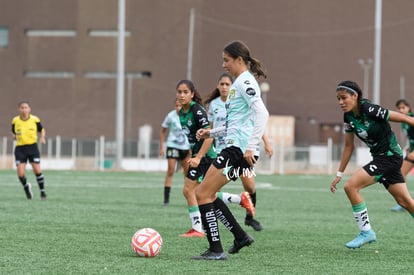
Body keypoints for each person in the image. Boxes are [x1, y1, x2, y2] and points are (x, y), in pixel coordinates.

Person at [192, 40, 269, 260]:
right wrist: (211, 133)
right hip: (234, 148)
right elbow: (235, 125)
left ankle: (216, 250)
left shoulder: (245, 82)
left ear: (239, 60)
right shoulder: (240, 84)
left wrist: (252, 146)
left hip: (238, 150)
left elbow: (262, 114)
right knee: (208, 193)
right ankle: (240, 236)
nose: (223, 64)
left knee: (202, 193)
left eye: (226, 60)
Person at [330, 80, 414, 249]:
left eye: (344, 98)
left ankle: (366, 232)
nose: (340, 102)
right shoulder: (348, 117)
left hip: (390, 156)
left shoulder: (370, 109)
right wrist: (339, 174)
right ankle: (366, 232)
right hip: (380, 158)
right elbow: (348, 146)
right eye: (338, 99)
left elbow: (405, 118)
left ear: (355, 96)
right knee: (405, 202)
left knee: (351, 187)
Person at [205, 72, 273, 231]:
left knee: (249, 186)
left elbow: (253, 123)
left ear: (231, 86)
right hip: (220, 150)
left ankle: (250, 217)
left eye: (227, 84)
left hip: (239, 150)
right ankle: (211, 220)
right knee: (209, 190)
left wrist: (267, 143)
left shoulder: (239, 99)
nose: (224, 87)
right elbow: (213, 127)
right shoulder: (214, 105)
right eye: (221, 84)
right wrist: (208, 136)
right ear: (217, 86)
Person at [176, 79, 217, 238]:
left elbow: (209, 136)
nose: (182, 95)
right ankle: (239, 199)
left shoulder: (197, 110)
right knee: (206, 194)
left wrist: (199, 157)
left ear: (192, 94)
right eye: (179, 92)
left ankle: (197, 229)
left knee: (188, 190)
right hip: (198, 156)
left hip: (206, 156)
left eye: (185, 92)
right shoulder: (182, 113)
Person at [11, 101, 47, 200]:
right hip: (20, 149)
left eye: (26, 107)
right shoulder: (15, 120)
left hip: (32, 147)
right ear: (19, 109)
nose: (24, 109)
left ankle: (42, 192)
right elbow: (13, 131)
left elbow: (42, 129)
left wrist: (42, 137)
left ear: (29, 109)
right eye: (22, 108)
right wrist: (14, 136)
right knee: (21, 174)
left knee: (37, 170)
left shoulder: (35, 119)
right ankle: (26, 187)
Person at [159, 99, 190, 206]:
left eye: (180, 106)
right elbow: (163, 130)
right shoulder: (170, 116)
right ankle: (166, 200)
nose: (178, 108)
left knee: (187, 173)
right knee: (171, 171)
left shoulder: (189, 115)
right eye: (176, 106)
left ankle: (189, 197)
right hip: (173, 146)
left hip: (185, 147)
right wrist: (161, 147)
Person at [390, 99, 414, 212]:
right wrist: (409, 147)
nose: (401, 110)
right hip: (412, 152)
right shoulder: (404, 121)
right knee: (401, 173)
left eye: (403, 108)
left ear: (409, 108)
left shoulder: (411, 118)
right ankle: (405, 202)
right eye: (399, 108)